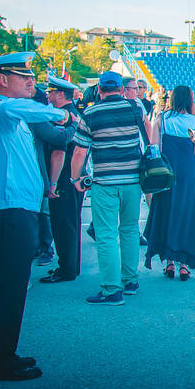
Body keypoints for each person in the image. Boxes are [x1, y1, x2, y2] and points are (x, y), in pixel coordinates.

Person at [0, 52, 67, 381]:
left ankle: (3, 354)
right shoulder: (1, 109)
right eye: (22, 76)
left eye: (31, 77)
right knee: (7, 288)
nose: (31, 81)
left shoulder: (11, 115)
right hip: (10, 209)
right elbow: (22, 108)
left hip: (20, 209)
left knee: (13, 288)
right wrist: (57, 113)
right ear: (2, 80)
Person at [71, 71, 145, 305]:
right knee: (130, 229)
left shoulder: (90, 113)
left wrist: (76, 179)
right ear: (122, 89)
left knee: (106, 235)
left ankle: (112, 289)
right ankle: (130, 280)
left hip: (105, 183)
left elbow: (80, 152)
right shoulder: (135, 108)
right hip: (133, 181)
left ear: (100, 90)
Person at [143, 85, 195, 279]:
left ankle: (169, 262)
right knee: (186, 215)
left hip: (166, 173)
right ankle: (184, 264)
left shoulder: (162, 119)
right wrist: (192, 178)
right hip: (186, 174)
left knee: (167, 213)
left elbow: (153, 146)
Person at [40, 76, 85, 283]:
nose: (48, 96)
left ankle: (65, 268)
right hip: (76, 175)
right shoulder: (75, 113)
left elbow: (58, 152)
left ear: (59, 95)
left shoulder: (63, 116)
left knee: (62, 224)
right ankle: (71, 266)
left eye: (50, 92)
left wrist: (52, 183)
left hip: (63, 177)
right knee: (72, 223)